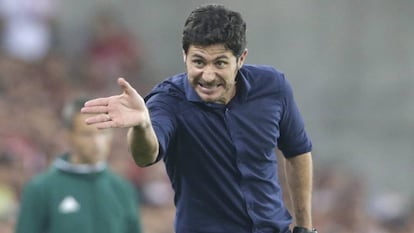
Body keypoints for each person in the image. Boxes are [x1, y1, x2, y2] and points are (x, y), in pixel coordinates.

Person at [81, 4, 316, 233]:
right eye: (199, 62)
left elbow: (297, 151)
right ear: (184, 56)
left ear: (241, 59)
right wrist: (142, 126)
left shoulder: (272, 87)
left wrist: (305, 227)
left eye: (220, 63)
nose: (208, 75)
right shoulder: (168, 100)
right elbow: (145, 155)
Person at [15, 97, 143, 233]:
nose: (97, 143)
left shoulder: (123, 189)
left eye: (104, 132)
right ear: (68, 135)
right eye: (87, 134)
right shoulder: (40, 189)